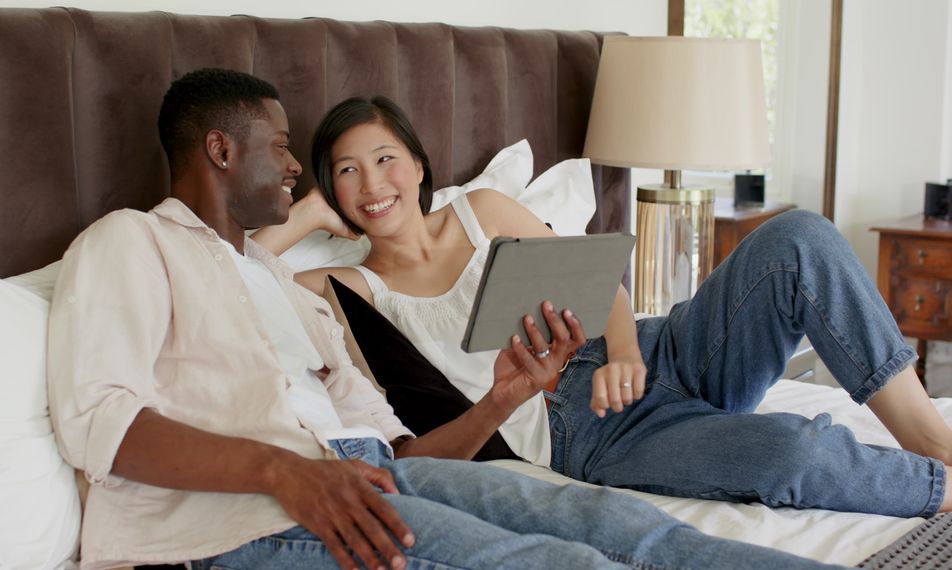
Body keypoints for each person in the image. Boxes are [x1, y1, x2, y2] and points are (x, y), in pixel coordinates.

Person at [46, 69, 841, 570]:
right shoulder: (131, 241)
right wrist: (282, 471)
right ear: (220, 150)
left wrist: (502, 400)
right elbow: (99, 421)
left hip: (375, 471)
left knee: (605, 518)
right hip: (245, 517)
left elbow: (399, 448)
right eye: (284, 148)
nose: (296, 168)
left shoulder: (280, 287)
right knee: (546, 561)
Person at [253, 94, 952, 520]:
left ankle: (931, 441)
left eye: (384, 158)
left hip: (651, 352)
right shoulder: (348, 294)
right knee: (790, 456)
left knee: (799, 237)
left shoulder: (482, 212)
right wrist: (307, 216)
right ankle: (934, 488)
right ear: (333, 191)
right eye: (346, 171)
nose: (372, 183)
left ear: (417, 163)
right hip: (586, 432)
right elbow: (237, 276)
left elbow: (598, 282)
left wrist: (623, 353)